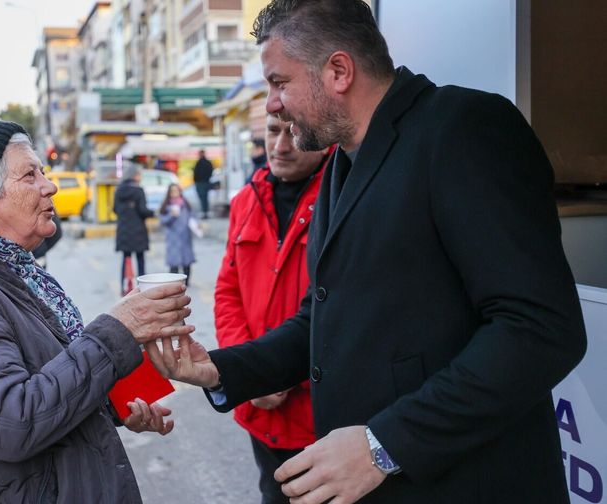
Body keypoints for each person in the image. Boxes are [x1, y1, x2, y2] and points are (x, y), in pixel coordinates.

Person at [144, 1, 587, 503]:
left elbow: (542, 329)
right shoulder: (343, 164)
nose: (271, 104)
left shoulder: (464, 128)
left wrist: (384, 445)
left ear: (338, 71)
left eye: (279, 82)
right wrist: (223, 369)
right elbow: (324, 317)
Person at [0, 121, 194, 503]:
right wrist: (117, 330)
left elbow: (46, 381)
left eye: (44, 173)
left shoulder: (16, 272)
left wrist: (114, 405)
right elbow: (9, 422)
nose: (49, 186)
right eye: (30, 175)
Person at [216, 114, 333, 504]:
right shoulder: (246, 200)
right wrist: (250, 373)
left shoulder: (343, 195)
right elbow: (228, 292)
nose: (280, 146)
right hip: (261, 412)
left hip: (321, 415)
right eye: (272, 131)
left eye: (294, 132)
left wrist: (279, 375)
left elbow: (349, 310)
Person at [114, 164, 153, 293]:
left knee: (126, 258)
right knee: (140, 259)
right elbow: (143, 210)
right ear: (135, 175)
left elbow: (115, 209)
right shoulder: (138, 190)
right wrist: (152, 213)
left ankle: (124, 287)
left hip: (124, 229)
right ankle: (142, 287)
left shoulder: (119, 190)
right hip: (138, 230)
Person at [159, 183, 196, 286]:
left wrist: (196, 225)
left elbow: (192, 217)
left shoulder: (186, 204)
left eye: (176, 191)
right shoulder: (166, 206)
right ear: (169, 193)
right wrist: (171, 215)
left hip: (185, 237)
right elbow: (162, 221)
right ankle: (173, 284)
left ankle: (186, 282)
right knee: (174, 263)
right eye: (172, 191)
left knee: (187, 261)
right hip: (173, 238)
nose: (175, 193)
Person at [193, 149, 214, 218]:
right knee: (203, 198)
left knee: (203, 198)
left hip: (203, 182)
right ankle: (205, 212)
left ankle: (205, 212)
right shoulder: (204, 162)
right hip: (202, 182)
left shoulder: (202, 163)